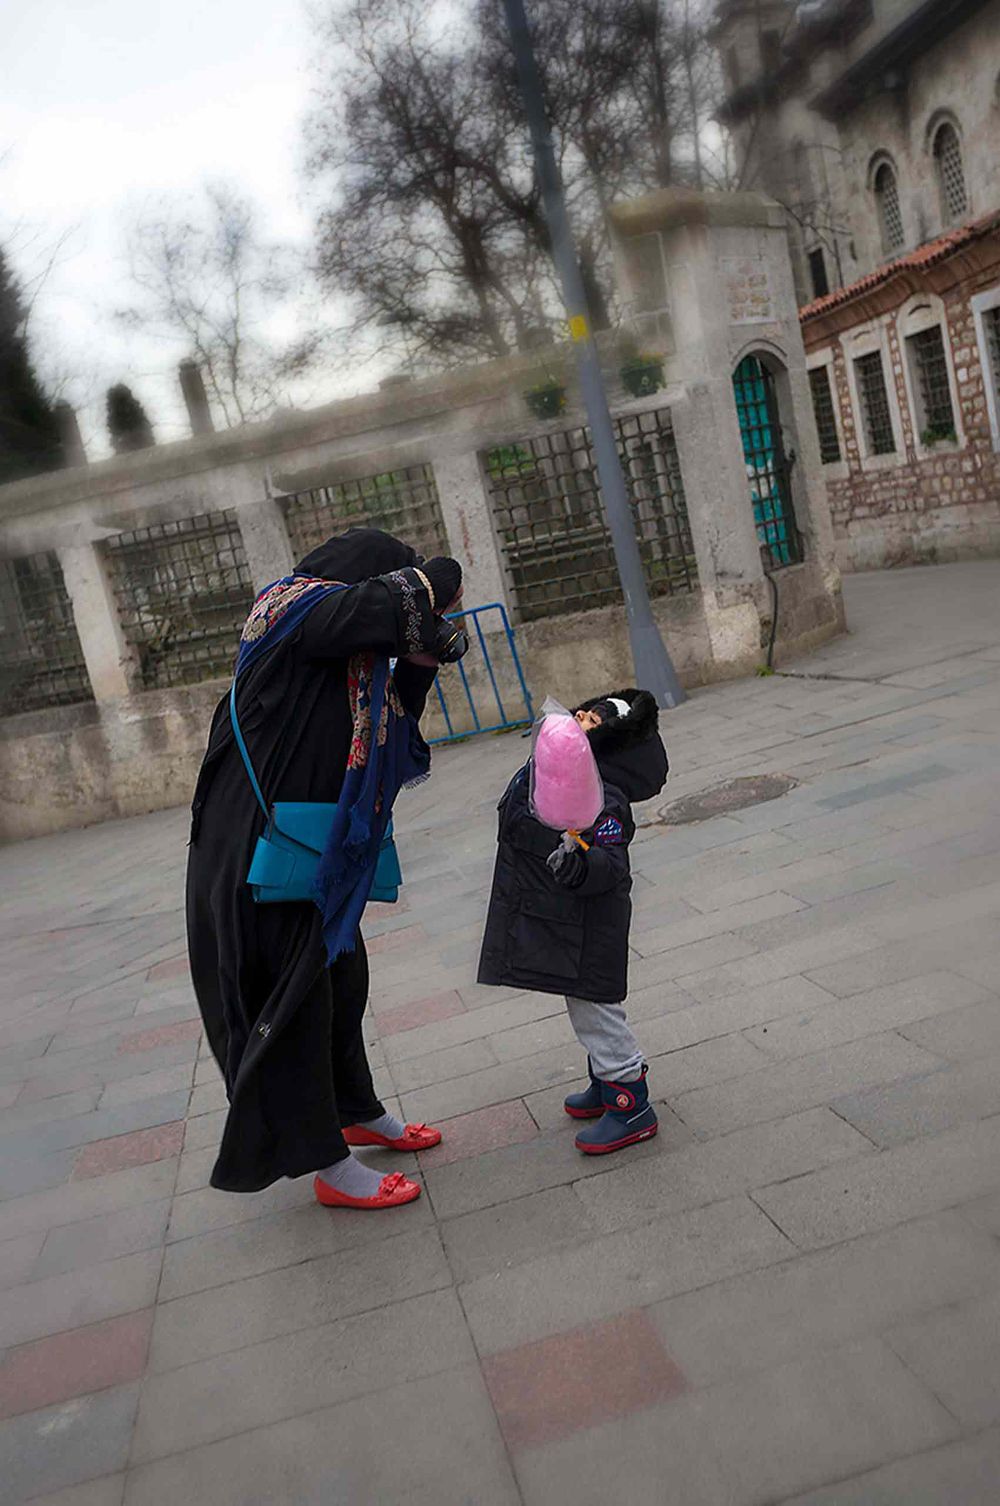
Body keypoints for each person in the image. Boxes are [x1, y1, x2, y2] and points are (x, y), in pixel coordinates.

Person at [186, 527, 463, 1209]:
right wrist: (433, 584)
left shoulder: (344, 647)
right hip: (259, 851)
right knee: (299, 1002)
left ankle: (356, 1107)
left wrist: (423, 654)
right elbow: (398, 598)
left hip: (308, 850)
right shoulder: (293, 610)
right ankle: (329, 1165)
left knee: (342, 977)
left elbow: (394, 723)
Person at [477, 689, 669, 1153]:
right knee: (580, 999)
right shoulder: (567, 771)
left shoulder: (606, 796)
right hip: (567, 917)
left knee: (595, 1007)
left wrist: (580, 865)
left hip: (590, 922)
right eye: (582, 712)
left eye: (591, 722)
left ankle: (630, 1101)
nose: (580, 719)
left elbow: (611, 862)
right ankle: (606, 1083)